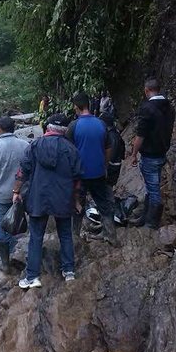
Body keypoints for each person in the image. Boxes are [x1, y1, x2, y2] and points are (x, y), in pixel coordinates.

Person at [13, 113, 83, 288]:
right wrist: (75, 200)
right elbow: (77, 178)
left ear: (48, 128)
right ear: (65, 130)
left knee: (36, 237)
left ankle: (32, 277)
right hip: (63, 197)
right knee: (65, 235)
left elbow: (23, 171)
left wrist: (16, 191)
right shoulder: (71, 149)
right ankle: (69, 271)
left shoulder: (34, 146)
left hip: (38, 197)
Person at [67, 92, 118, 244]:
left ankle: (74, 238)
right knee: (104, 204)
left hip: (80, 175)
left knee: (77, 206)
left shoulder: (73, 126)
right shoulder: (101, 123)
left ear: (76, 107)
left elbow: (68, 151)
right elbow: (109, 148)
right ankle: (110, 235)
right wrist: (104, 164)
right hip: (98, 172)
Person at [0, 116, 29, 273]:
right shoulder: (25, 146)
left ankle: (6, 264)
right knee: (22, 225)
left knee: (3, 229)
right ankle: (22, 257)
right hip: (23, 194)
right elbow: (31, 170)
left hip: (1, 197)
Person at [128, 78, 175, 229]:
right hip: (162, 152)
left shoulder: (148, 108)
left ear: (147, 90)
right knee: (151, 186)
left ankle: (151, 223)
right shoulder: (169, 107)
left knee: (153, 190)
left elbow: (140, 135)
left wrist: (134, 154)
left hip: (150, 155)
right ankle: (145, 217)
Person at [100, 111, 125, 187]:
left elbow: (111, 154)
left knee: (107, 187)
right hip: (115, 165)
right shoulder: (115, 133)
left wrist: (105, 166)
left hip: (112, 167)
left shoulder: (111, 135)